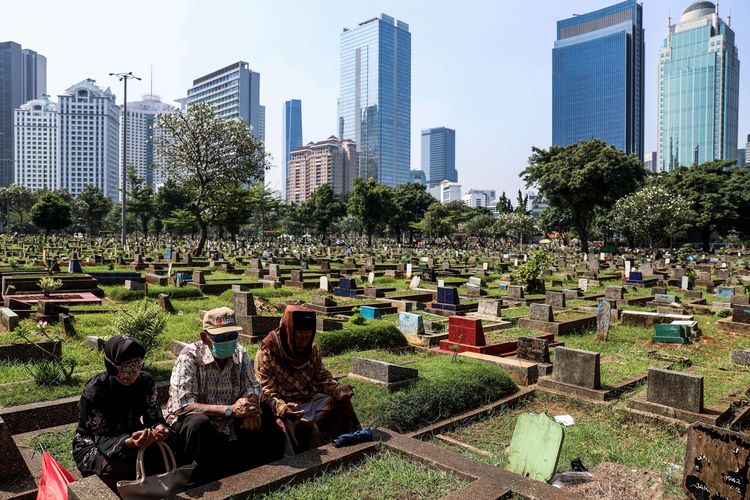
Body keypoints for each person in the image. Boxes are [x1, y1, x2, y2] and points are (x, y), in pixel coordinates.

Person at [167, 307, 284, 483]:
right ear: (205, 337)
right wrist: (230, 410)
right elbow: (183, 405)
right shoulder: (189, 356)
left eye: (232, 336)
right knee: (199, 423)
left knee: (264, 411)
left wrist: (251, 406)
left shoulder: (240, 352)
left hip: (231, 416)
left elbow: (252, 386)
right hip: (197, 420)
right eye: (220, 338)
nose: (228, 342)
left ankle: (263, 472)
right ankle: (206, 477)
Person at [255, 305, 360, 454]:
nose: (304, 343)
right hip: (286, 406)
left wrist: (338, 389)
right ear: (289, 333)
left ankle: (349, 447)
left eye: (308, 337)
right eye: (299, 338)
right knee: (285, 427)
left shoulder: (311, 350)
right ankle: (304, 461)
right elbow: (265, 391)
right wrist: (282, 408)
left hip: (311, 401)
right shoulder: (268, 352)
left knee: (340, 404)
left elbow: (321, 377)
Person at [72, 335, 169, 490]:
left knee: (164, 450)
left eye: (138, 363)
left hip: (134, 433)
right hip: (95, 443)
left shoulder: (145, 381)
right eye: (127, 365)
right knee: (118, 466)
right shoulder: (96, 391)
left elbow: (153, 415)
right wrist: (130, 442)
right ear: (111, 365)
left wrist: (159, 428)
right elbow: (101, 437)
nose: (134, 370)